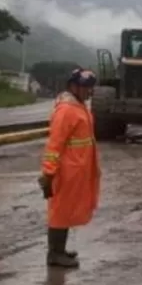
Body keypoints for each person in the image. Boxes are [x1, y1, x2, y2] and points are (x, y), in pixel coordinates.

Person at [38, 68, 101, 268]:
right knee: (59, 211)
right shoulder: (67, 110)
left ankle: (59, 250)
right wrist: (48, 173)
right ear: (73, 87)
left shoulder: (79, 106)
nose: (89, 92)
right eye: (85, 88)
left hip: (75, 170)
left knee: (66, 211)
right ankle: (54, 254)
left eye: (90, 88)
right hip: (66, 171)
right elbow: (54, 145)